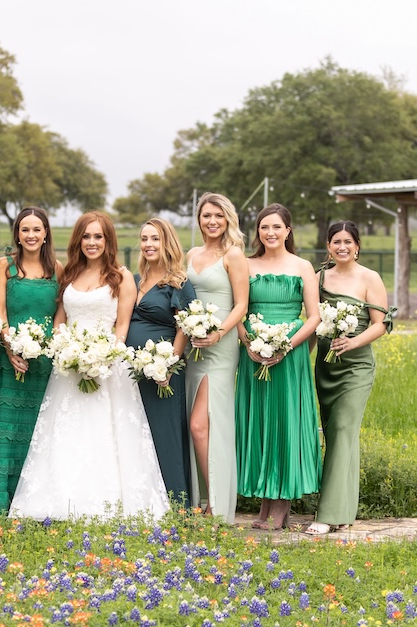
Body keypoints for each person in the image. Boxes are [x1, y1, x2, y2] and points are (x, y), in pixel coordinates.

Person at [9, 211, 170, 520]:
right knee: (67, 434)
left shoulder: (121, 277)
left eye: (98, 236)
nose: (92, 242)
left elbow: (122, 328)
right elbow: (60, 321)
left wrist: (99, 357)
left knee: (106, 435)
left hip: (108, 367)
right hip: (69, 367)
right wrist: (67, 350)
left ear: (108, 240)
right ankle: (61, 501)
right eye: (86, 236)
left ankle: (110, 504)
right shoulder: (68, 273)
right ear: (78, 240)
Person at [0, 207, 61, 517]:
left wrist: (48, 346)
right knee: (5, 427)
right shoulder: (4, 266)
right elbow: (0, 311)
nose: (31, 235)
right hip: (10, 360)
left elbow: (60, 315)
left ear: (46, 233)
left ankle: (33, 502)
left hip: (45, 360)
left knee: (38, 428)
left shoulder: (57, 269)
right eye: (25, 230)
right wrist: (10, 348)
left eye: (37, 229)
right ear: (17, 234)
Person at [235, 203, 321, 530]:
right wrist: (249, 344)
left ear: (288, 230)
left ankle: (281, 506)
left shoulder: (302, 266)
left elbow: (313, 317)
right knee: (259, 422)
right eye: (263, 227)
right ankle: (264, 501)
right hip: (254, 353)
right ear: (257, 232)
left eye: (276, 227)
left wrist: (286, 346)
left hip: (290, 354)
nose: (270, 233)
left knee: (285, 421)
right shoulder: (245, 264)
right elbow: (238, 310)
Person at [306, 221, 394, 535]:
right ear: (328, 246)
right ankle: (344, 512)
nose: (342, 247)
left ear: (357, 246)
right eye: (336, 242)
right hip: (326, 367)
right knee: (337, 434)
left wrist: (353, 342)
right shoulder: (318, 277)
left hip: (356, 367)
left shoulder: (370, 277)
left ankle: (326, 515)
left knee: (343, 428)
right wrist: (302, 357)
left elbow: (381, 324)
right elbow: (314, 322)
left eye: (348, 242)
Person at [186, 193, 248, 523]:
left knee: (202, 425)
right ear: (199, 219)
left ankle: (217, 504)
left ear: (228, 220)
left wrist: (219, 333)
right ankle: (201, 500)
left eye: (218, 216)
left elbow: (241, 305)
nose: (212, 221)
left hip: (220, 347)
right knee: (196, 425)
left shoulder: (233, 255)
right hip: (192, 346)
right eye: (206, 215)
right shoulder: (191, 254)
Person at [126, 218, 195, 505]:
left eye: (155, 238)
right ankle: (140, 501)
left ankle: (175, 503)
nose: (148, 245)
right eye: (144, 239)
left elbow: (185, 327)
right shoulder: (134, 280)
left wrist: (168, 365)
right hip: (132, 372)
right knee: (135, 433)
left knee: (164, 433)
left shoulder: (179, 282)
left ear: (167, 242)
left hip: (163, 373)